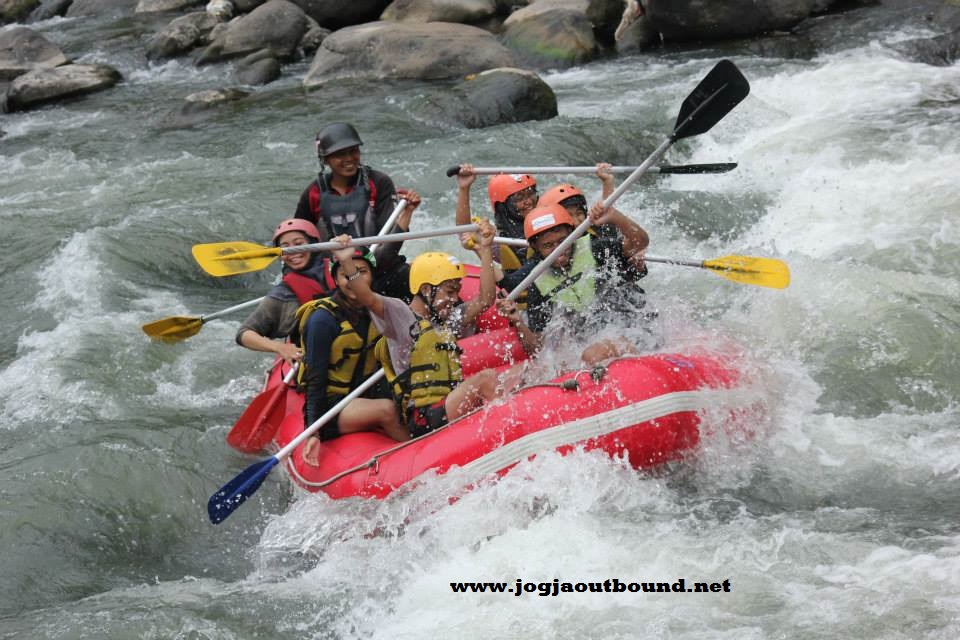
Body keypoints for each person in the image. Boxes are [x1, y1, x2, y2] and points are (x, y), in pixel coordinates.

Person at [334, 219, 523, 438]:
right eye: (449, 292)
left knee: (519, 373)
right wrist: (347, 262)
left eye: (456, 292)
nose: (454, 299)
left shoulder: (446, 319)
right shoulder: (400, 316)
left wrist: (486, 249)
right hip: (422, 415)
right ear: (425, 289)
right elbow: (366, 296)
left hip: (446, 402)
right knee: (487, 378)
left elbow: (485, 299)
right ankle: (513, 436)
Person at [496, 201, 654, 366]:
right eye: (548, 245)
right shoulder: (538, 285)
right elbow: (538, 349)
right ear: (535, 247)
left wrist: (615, 217)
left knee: (591, 355)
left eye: (562, 241)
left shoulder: (596, 249)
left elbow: (640, 242)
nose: (558, 251)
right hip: (594, 342)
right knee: (563, 364)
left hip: (634, 329)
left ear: (572, 235)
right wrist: (517, 321)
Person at [296, 245, 410, 465]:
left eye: (361, 272)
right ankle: (419, 454)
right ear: (336, 280)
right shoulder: (323, 320)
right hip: (332, 408)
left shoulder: (377, 309)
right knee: (387, 410)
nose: (352, 279)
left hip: (366, 395)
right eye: (345, 274)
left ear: (372, 276)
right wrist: (313, 432)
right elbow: (315, 380)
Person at [294, 122, 418, 301]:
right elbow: (300, 242)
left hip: (380, 270)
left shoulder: (379, 182)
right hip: (335, 278)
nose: (349, 158)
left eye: (353, 151)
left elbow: (390, 242)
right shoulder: (313, 193)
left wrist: (362, 272)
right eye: (340, 154)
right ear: (325, 159)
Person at [235, 218, 336, 365]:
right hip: (317, 363)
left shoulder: (338, 267)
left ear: (314, 244)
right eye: (285, 247)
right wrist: (279, 347)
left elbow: (362, 273)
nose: (293, 251)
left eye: (299, 244)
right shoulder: (283, 294)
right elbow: (244, 334)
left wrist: (347, 253)